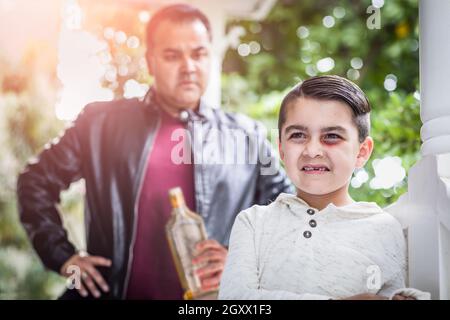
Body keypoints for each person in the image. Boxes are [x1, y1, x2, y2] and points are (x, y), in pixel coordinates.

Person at [16, 4, 292, 300]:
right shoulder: (100, 124)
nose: (188, 67)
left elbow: (291, 213)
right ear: (150, 62)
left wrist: (243, 262)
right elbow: (35, 182)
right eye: (173, 55)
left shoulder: (245, 136)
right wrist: (63, 257)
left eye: (198, 54)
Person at [218, 75, 430, 300]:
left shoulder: (384, 229)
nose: (312, 150)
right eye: (298, 135)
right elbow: (236, 299)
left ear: (362, 152)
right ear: (281, 150)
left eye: (332, 136)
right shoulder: (253, 223)